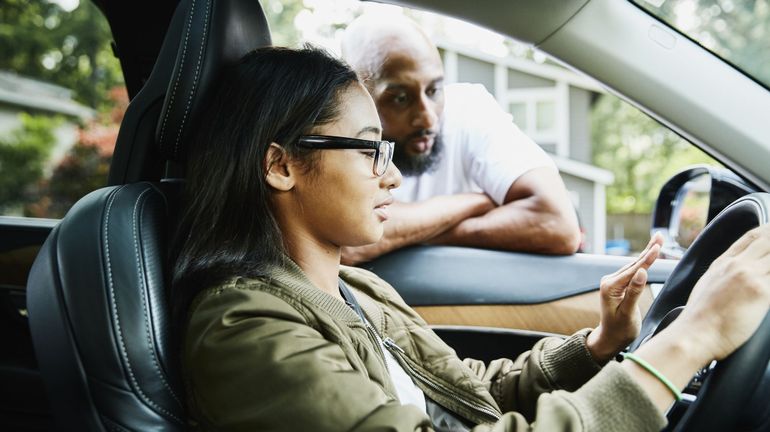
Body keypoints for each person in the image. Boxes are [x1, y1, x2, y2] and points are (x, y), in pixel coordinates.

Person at [172, 46, 770, 431]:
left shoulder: (356, 288)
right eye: (368, 148)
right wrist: (688, 342)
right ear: (280, 165)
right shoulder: (245, 329)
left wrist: (599, 344)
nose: (394, 173)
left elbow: (465, 392)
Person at [338, 15, 581, 265]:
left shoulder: (469, 110)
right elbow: (348, 244)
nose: (428, 119)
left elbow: (557, 223)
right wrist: (477, 202)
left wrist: (402, 234)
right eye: (400, 98)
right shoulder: (335, 136)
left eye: (433, 91)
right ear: (357, 98)